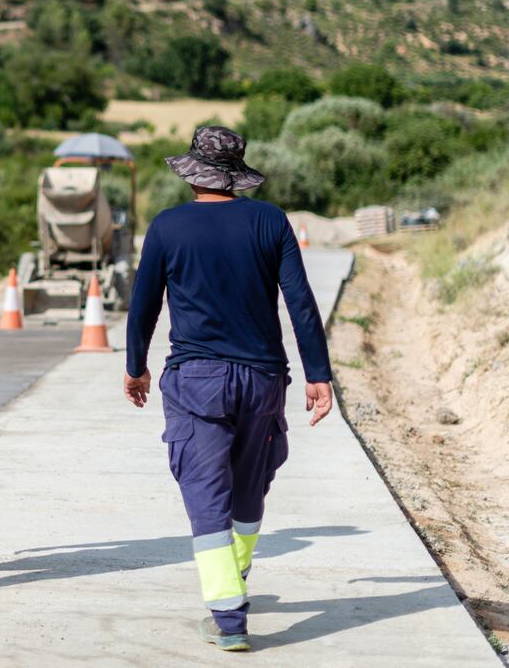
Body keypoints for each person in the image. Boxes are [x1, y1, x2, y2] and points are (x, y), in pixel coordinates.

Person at [123, 125, 333, 653]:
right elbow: (301, 303)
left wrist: (135, 366)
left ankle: (228, 616)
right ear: (237, 175)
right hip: (263, 379)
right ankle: (235, 577)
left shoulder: (168, 227)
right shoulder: (270, 221)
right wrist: (318, 375)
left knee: (205, 492)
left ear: (193, 172)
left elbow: (143, 304)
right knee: (249, 484)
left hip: (196, 380)